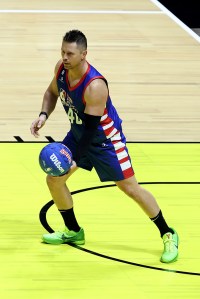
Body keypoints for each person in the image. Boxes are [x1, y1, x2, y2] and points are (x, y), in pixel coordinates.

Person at [30, 29, 179, 263]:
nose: (65, 57)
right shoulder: (61, 69)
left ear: (84, 54)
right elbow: (51, 93)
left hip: (106, 142)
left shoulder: (95, 86)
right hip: (79, 134)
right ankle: (74, 231)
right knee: (54, 179)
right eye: (63, 52)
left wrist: (73, 160)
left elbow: (91, 131)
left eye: (70, 53)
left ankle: (168, 233)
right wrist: (42, 115)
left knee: (130, 189)